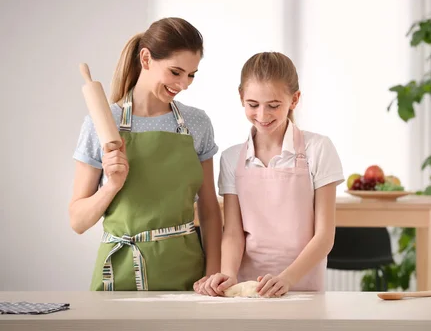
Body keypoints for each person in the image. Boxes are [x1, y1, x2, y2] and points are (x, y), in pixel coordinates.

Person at [69, 17, 222, 291]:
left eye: (191, 75)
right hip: (118, 275)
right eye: (176, 72)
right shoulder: (102, 122)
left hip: (187, 275)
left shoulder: (197, 123)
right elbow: (78, 221)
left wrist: (213, 275)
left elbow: (209, 208)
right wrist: (111, 187)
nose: (184, 84)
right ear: (146, 58)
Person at [195, 52, 344, 297]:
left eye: (273, 106)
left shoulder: (318, 149)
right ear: (241, 97)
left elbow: (324, 235)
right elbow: (233, 231)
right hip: (247, 287)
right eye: (253, 105)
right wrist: (228, 274)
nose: (262, 116)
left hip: (301, 284)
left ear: (294, 100)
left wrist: (287, 278)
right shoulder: (232, 158)